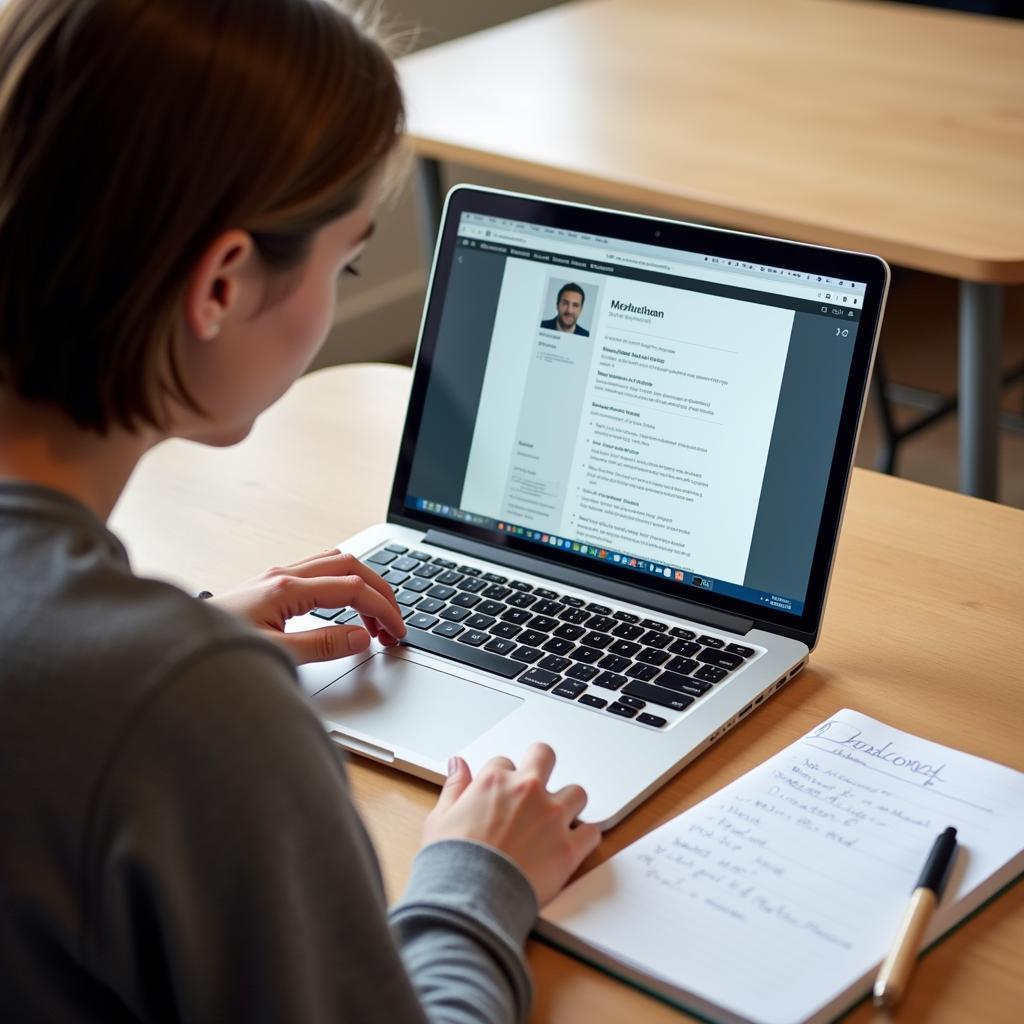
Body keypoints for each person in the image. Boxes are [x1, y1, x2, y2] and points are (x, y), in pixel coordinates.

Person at [0, 2, 601, 1022]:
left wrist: (173, 638)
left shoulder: (148, 682)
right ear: (223, 284)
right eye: (348, 261)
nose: (339, 298)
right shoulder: (190, 710)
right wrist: (473, 877)